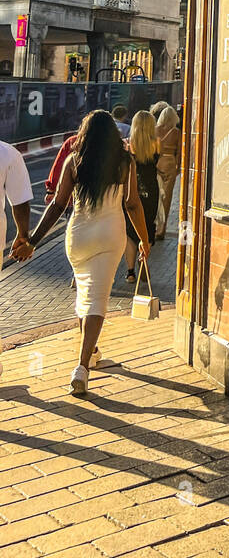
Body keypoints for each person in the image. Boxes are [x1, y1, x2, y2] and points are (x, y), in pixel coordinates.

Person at [19, 110, 151, 396]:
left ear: (86, 134)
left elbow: (56, 205)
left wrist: (33, 240)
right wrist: (144, 238)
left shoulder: (73, 161)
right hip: (109, 235)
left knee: (84, 296)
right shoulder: (125, 162)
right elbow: (132, 204)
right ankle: (81, 367)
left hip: (77, 236)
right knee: (97, 300)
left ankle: (90, 353)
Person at [124, 110, 159, 281]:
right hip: (151, 189)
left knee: (130, 230)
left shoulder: (128, 144)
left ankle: (130, 272)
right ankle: (144, 262)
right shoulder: (156, 143)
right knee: (147, 225)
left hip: (133, 187)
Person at [150, 102, 180, 238]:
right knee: (166, 198)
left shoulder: (154, 130)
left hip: (157, 163)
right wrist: (178, 167)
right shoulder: (176, 132)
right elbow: (179, 152)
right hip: (169, 163)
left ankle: (152, 226)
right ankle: (162, 229)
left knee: (155, 196)